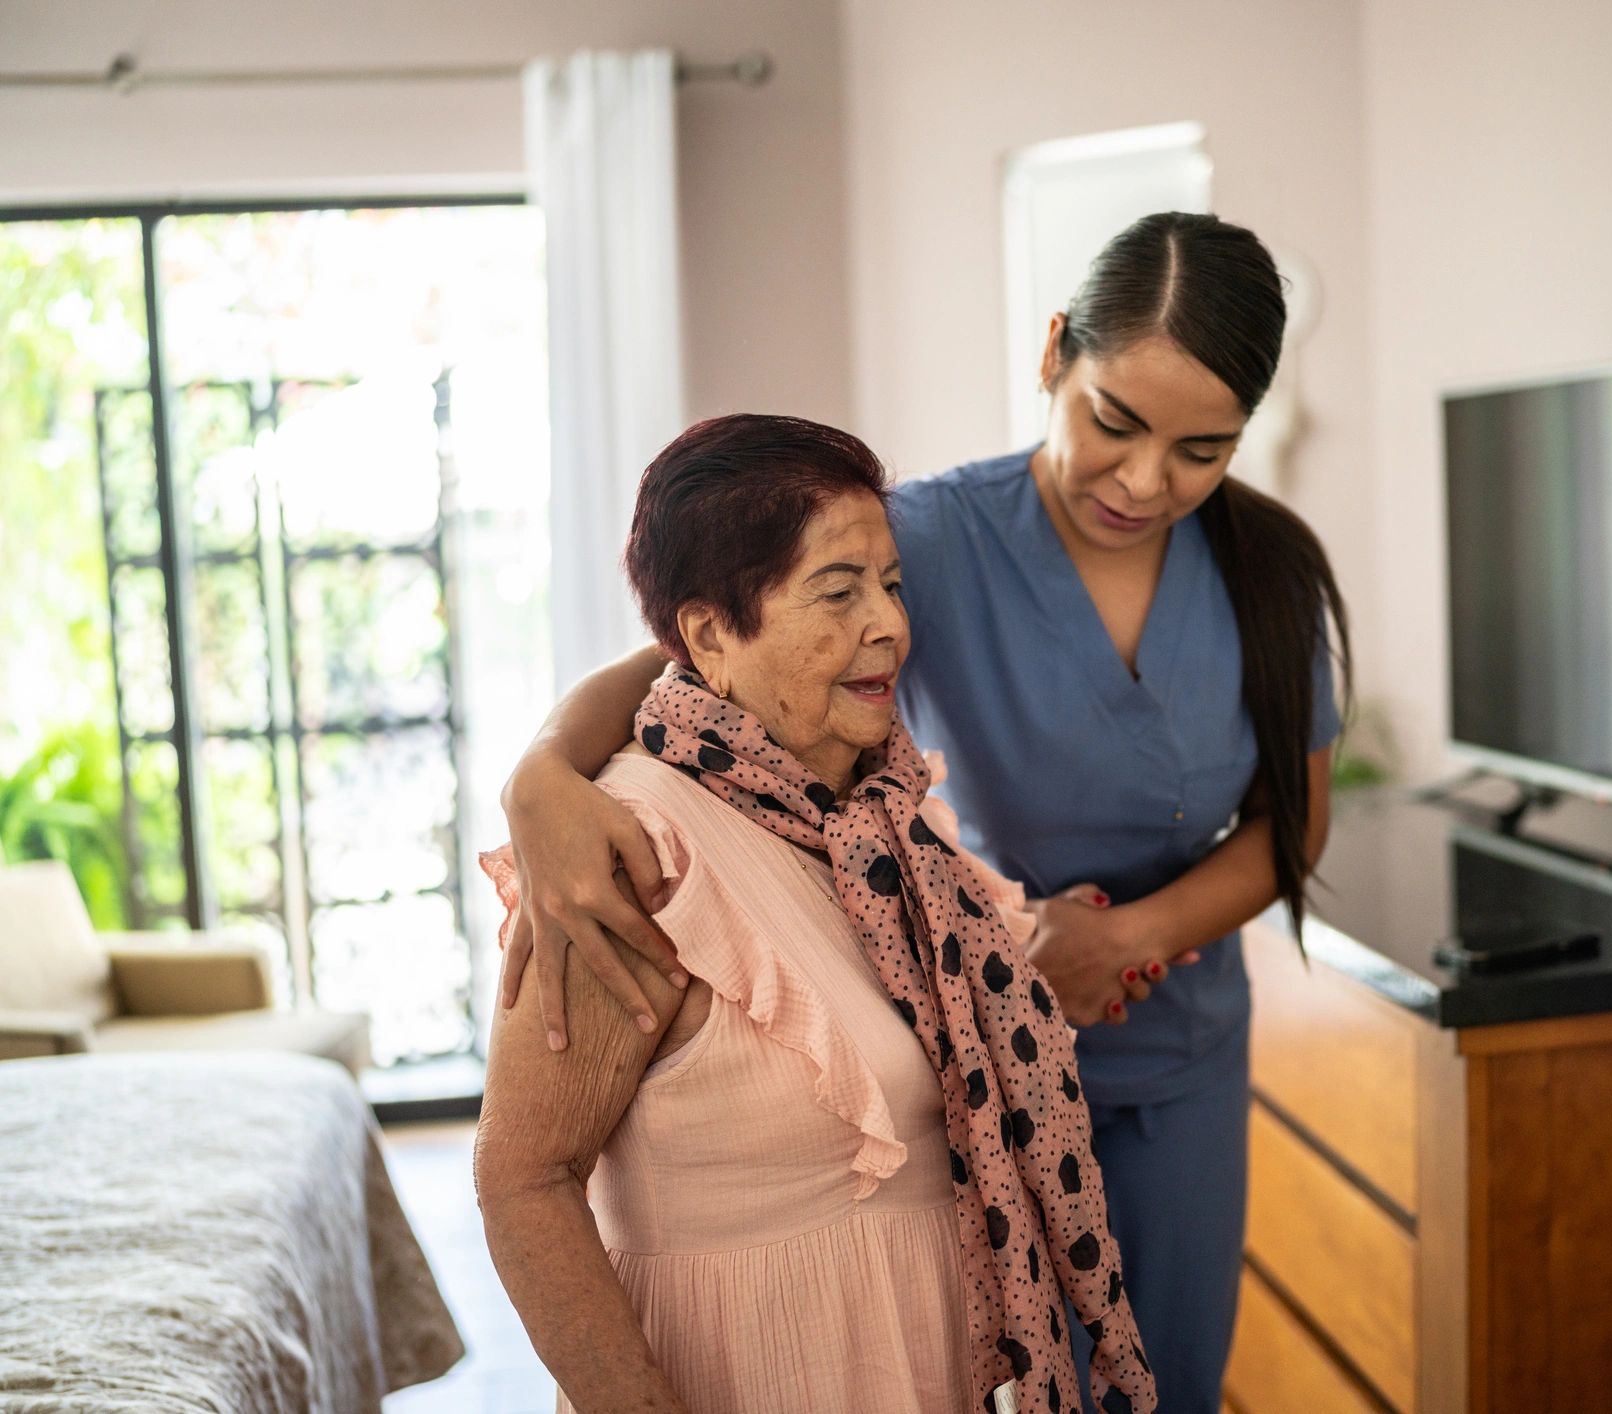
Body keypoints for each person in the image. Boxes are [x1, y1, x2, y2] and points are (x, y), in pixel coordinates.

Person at [498, 213, 1350, 1411]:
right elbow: (698, 655)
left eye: (1201, 449)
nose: (1146, 480)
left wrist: (1131, 938)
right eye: (1114, 422)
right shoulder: (936, 541)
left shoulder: (1269, 574)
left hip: (1176, 1046)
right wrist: (540, 774)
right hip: (957, 1029)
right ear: (1054, 354)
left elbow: (1293, 826)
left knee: (1167, 1384)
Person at [472, 413, 1155, 1414]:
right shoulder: (627, 851)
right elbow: (522, 1179)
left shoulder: (876, 824)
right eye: (836, 593)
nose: (886, 625)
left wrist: (1025, 990)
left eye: (889, 585)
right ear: (709, 635)